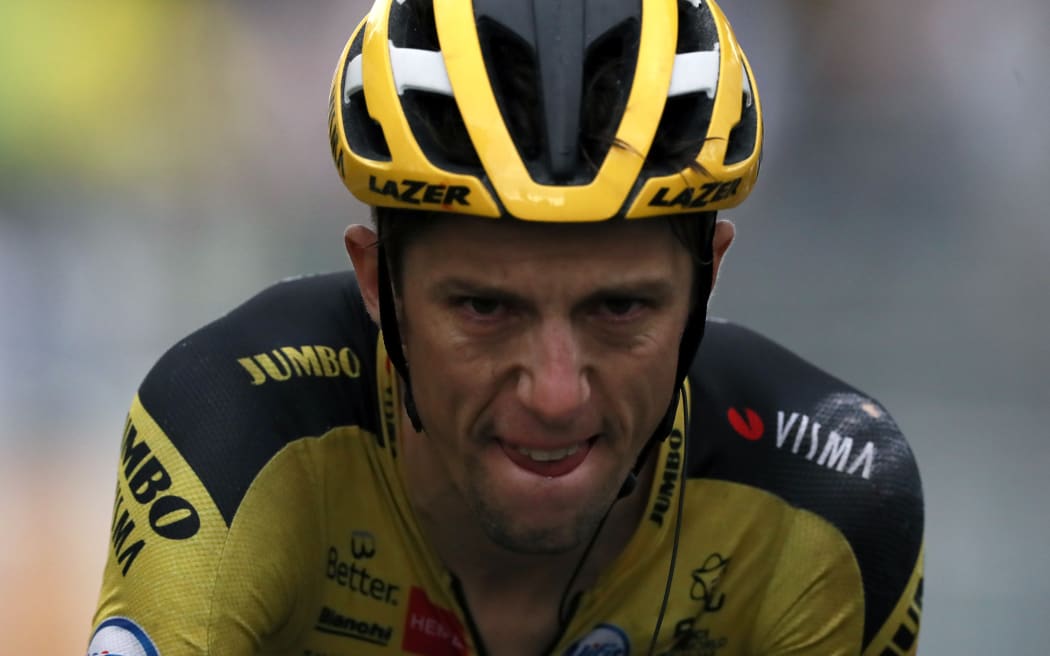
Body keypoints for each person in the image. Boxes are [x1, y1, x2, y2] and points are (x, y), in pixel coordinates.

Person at [86, 0, 924, 654]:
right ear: (378, 285)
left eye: (620, 309)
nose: (555, 395)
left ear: (708, 282)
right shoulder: (235, 433)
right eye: (485, 309)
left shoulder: (828, 502)